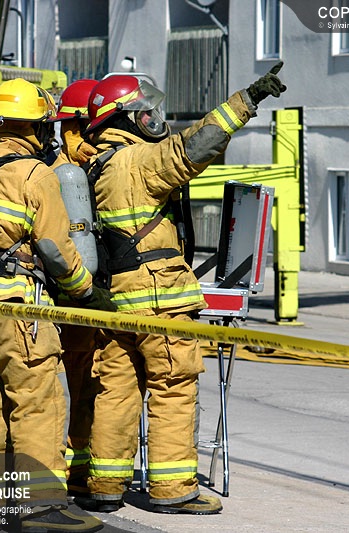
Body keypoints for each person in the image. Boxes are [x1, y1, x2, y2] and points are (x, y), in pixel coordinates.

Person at [80, 64, 286, 514]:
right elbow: (197, 145)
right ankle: (172, 490)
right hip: (159, 300)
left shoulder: (97, 165)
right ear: (128, 118)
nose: (154, 119)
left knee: (116, 393)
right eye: (146, 113)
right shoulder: (137, 160)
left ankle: (105, 486)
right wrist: (246, 100)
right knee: (173, 388)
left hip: (117, 303)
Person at [0, 77, 112, 533]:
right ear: (38, 127)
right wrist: (86, 291)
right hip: (17, 309)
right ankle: (42, 508)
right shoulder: (35, 174)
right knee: (38, 404)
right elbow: (56, 249)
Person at [48, 78, 100, 498]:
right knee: (61, 388)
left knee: (87, 386)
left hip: (93, 304)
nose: (89, 140)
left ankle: (79, 469)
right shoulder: (54, 176)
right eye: (81, 131)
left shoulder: (101, 171)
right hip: (63, 300)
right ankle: (58, 470)